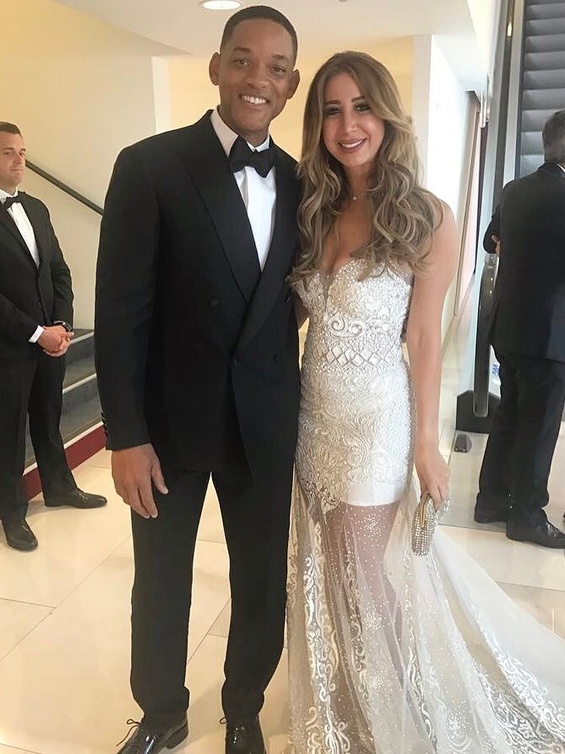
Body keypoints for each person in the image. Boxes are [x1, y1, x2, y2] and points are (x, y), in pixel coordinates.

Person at [286, 52, 565, 753]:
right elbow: (295, 315)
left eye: (361, 106)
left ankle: (393, 721)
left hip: (374, 423)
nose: (347, 125)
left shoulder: (427, 216)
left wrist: (425, 445)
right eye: (331, 110)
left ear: (386, 114)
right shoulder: (314, 207)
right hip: (311, 417)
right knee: (329, 574)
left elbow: (423, 337)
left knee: (362, 583)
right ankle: (347, 706)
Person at [94, 6, 300, 754]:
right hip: (169, 424)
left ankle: (243, 707)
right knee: (160, 580)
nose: (256, 79)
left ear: (291, 86)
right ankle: (161, 713)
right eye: (241, 59)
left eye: (275, 68)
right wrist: (125, 436)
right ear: (216, 68)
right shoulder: (148, 165)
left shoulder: (302, 182)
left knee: (259, 582)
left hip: (264, 422)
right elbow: (120, 313)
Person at [0, 122, 106, 553]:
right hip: (9, 346)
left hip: (50, 339)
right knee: (9, 431)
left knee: (48, 416)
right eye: (8, 152)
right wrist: (36, 333)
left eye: (22, 151)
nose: (19, 160)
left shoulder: (37, 207)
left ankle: (59, 487)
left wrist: (61, 324)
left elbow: (59, 270)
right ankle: (12, 513)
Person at [474, 109, 565, 548]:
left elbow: (490, 241)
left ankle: (491, 500)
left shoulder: (515, 190)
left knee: (509, 413)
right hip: (550, 334)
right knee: (539, 424)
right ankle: (527, 515)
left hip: (508, 326)